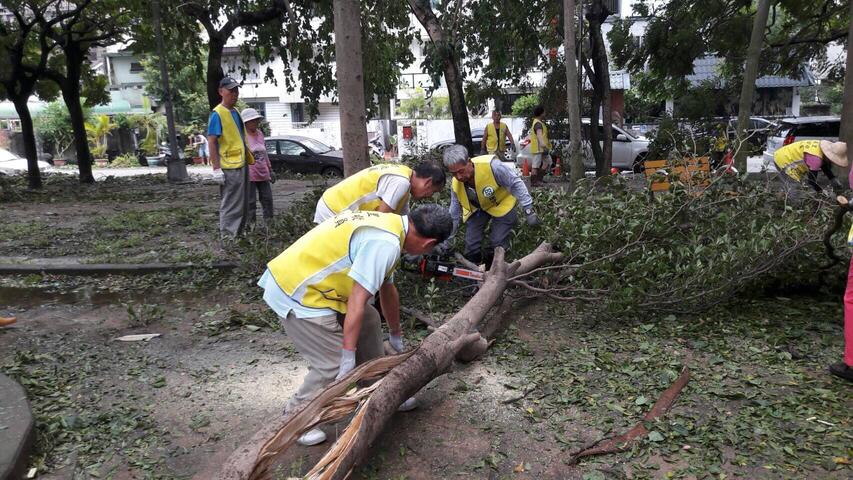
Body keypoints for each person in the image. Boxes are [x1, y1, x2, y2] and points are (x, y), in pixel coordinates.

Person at [258, 205, 453, 445]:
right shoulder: (385, 244)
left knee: (370, 319)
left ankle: (376, 390)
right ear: (428, 243)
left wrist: (395, 335)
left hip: (319, 288)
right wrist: (347, 357)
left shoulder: (392, 227)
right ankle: (296, 420)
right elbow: (357, 301)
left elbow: (387, 289)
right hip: (298, 292)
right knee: (331, 364)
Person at [443, 144, 539, 266]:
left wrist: (528, 209)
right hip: (478, 209)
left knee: (497, 243)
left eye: (461, 171)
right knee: (471, 244)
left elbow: (516, 183)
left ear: (469, 162)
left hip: (502, 205)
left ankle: (494, 269)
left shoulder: (493, 167)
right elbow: (454, 214)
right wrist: (447, 240)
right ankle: (474, 272)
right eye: (454, 174)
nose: (459, 177)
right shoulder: (456, 184)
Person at [313, 162, 446, 224]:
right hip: (334, 209)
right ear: (428, 182)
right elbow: (380, 220)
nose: (429, 196)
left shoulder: (404, 178)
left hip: (334, 205)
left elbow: (402, 221)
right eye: (432, 191)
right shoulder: (401, 182)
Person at [207, 76, 255, 240]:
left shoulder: (235, 112)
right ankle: (228, 238)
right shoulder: (217, 114)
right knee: (232, 204)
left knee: (243, 203)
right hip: (229, 167)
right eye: (231, 91)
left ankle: (238, 235)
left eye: (236, 91)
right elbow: (212, 142)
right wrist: (216, 169)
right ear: (221, 92)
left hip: (241, 164)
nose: (234, 94)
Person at [773, 140, 847, 194]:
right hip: (784, 161)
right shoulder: (816, 159)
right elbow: (811, 181)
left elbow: (824, 166)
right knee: (794, 189)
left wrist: (833, 179)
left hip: (781, 154)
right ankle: (794, 209)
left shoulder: (819, 147)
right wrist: (821, 192)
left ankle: (779, 202)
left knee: (787, 187)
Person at [241, 107, 274, 227]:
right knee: (250, 202)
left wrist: (270, 169)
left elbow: (264, 153)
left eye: (256, 120)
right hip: (250, 174)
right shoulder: (242, 136)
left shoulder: (260, 134)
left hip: (263, 172)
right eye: (252, 120)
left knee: (267, 199)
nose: (255, 123)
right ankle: (251, 226)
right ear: (245, 122)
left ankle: (269, 225)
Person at [527, 105, 552, 186]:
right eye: (544, 112)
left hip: (541, 148)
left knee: (547, 162)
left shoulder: (538, 123)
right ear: (541, 113)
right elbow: (539, 135)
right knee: (536, 165)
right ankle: (534, 181)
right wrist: (543, 145)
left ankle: (539, 179)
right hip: (539, 148)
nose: (545, 113)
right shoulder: (538, 124)